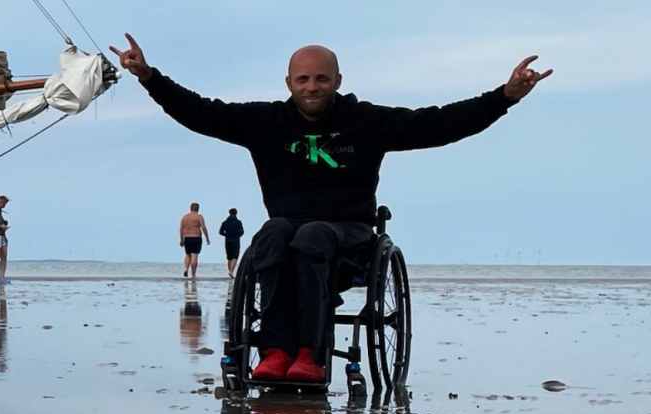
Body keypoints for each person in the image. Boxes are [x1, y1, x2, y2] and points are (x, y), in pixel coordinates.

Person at [110, 34, 550, 382]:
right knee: (275, 232)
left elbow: (439, 123)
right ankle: (275, 351)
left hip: (350, 235)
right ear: (289, 84)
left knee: (313, 234)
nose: (312, 87)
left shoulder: (367, 121)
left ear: (337, 80)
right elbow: (200, 113)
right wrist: (149, 77)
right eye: (302, 79)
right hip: (288, 230)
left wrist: (504, 97)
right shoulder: (265, 122)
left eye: (321, 79)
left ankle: (310, 354)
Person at [179, 203, 210, 279]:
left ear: (190, 208)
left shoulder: (184, 217)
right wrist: (207, 238)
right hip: (196, 237)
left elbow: (181, 229)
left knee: (188, 255)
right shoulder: (199, 217)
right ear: (198, 209)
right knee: (194, 256)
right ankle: (193, 274)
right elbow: (203, 227)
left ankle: (186, 269)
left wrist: (181, 239)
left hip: (187, 238)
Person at [219, 208, 246, 278]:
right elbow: (242, 232)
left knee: (229, 257)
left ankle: (230, 272)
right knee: (235, 256)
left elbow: (220, 232)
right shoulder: (238, 222)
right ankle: (231, 271)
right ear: (236, 213)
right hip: (235, 240)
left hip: (227, 240)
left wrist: (226, 235)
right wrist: (238, 235)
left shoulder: (225, 222)